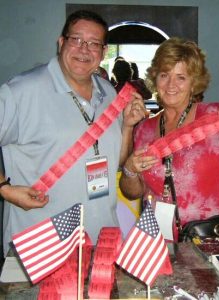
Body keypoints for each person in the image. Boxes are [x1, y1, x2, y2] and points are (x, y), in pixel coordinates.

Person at [0, 10, 146, 256]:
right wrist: (4, 188)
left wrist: (127, 126)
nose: (84, 49)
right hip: (40, 245)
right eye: (76, 39)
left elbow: (115, 161)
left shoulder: (109, 92)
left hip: (102, 239)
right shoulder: (21, 91)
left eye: (94, 43)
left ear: (103, 51)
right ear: (61, 43)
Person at [119, 37, 219, 241]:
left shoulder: (217, 116)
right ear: (155, 78)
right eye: (164, 75)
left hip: (216, 241)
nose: (171, 85)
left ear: (194, 82)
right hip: (162, 243)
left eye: (181, 77)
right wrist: (129, 170)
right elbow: (132, 193)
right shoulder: (144, 129)